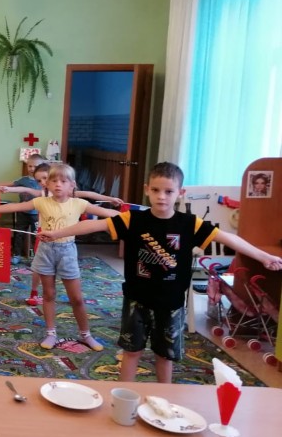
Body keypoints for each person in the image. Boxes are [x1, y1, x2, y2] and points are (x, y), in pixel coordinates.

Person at [40, 162, 282, 382]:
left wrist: (264, 256)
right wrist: (56, 233)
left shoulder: (189, 224)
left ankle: (164, 401)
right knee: (131, 352)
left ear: (180, 192)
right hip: (136, 300)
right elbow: (93, 224)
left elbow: (228, 238)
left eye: (168, 191)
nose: (161, 197)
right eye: (155, 190)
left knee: (165, 357)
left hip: (171, 303)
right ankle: (122, 401)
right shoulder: (133, 219)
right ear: (147, 189)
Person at [0, 163, 118, 352]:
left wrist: (131, 217)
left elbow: (108, 213)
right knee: (48, 295)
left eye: (63, 181)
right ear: (47, 184)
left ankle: (86, 335)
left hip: (67, 252)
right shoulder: (41, 202)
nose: (58, 184)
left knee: (77, 298)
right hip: (46, 252)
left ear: (72, 185)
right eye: (54, 180)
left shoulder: (79, 204)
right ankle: (51, 333)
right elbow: (16, 206)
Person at [1, 162, 124, 306]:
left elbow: (89, 194)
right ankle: (34, 292)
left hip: (65, 241)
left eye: (45, 178)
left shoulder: (69, 194)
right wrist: (8, 189)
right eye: (39, 181)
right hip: (45, 237)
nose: (43, 183)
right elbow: (23, 189)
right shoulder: (41, 195)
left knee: (67, 270)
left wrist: (110, 199)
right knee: (38, 267)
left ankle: (71, 295)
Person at [0, 152, 46, 268]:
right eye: (30, 166)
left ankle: (36, 257)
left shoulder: (43, 182)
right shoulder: (23, 180)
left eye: (35, 166)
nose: (32, 169)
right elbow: (11, 184)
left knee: (36, 236)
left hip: (37, 214)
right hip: (22, 213)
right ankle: (16, 255)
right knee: (18, 233)